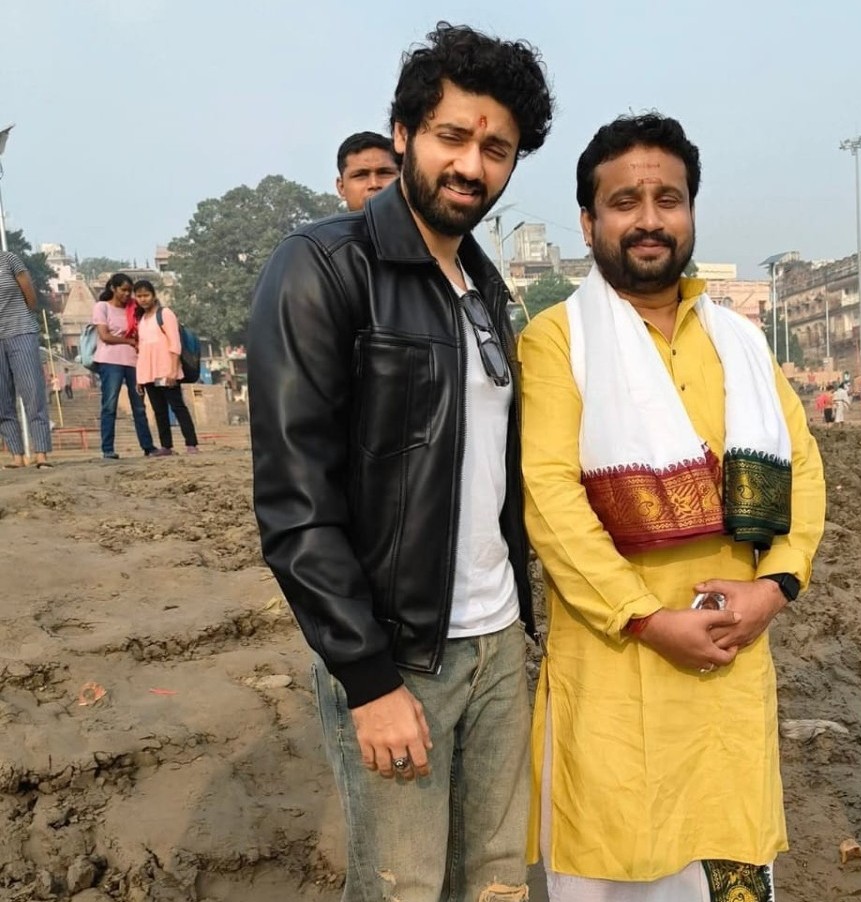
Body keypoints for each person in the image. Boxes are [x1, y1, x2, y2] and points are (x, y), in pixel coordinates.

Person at [247, 23, 553, 902]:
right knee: (401, 887)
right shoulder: (322, 266)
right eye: (454, 137)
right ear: (405, 134)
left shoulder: (488, 291)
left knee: (496, 879)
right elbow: (294, 500)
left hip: (497, 644)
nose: (472, 165)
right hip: (398, 653)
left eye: (496, 148)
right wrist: (368, 679)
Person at [519, 113, 826, 901]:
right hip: (616, 670)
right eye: (625, 201)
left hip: (731, 659)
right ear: (589, 222)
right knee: (615, 863)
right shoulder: (556, 341)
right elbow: (550, 500)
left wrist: (775, 587)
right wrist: (647, 620)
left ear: (691, 211)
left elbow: (803, 472)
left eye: (669, 198)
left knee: (728, 861)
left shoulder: (743, 343)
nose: (650, 219)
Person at [92, 274, 157, 460]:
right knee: (109, 406)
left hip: (133, 361)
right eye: (124, 290)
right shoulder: (102, 307)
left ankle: (148, 446)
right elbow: (105, 336)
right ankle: (107, 449)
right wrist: (128, 340)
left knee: (139, 406)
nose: (127, 294)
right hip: (110, 361)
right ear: (113, 288)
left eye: (130, 291)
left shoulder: (134, 309)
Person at [0, 248, 53, 469]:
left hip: (20, 330)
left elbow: (30, 296)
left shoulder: (9, 259)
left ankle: (40, 453)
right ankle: (17, 455)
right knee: (2, 400)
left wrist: (25, 316)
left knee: (32, 392)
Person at [133, 280, 199, 455]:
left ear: (153, 296)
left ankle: (191, 444)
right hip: (148, 374)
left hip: (167, 371)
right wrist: (139, 379)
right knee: (159, 411)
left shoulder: (165, 314)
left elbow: (175, 344)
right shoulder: (141, 319)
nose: (143, 299)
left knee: (177, 407)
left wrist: (172, 371)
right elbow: (141, 350)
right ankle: (166, 446)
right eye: (139, 296)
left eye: (146, 295)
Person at [336, 131, 400, 211]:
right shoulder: (325, 224)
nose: (374, 184)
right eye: (360, 175)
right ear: (341, 188)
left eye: (385, 173)